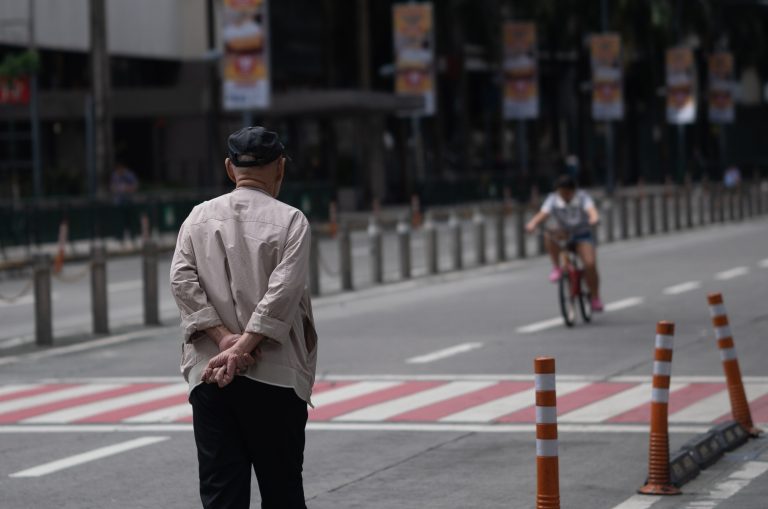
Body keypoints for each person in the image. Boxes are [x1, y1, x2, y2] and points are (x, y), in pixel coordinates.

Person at [170, 126, 317, 509]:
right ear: (280, 169)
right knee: (282, 490)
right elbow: (282, 293)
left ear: (230, 169)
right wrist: (245, 346)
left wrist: (223, 342)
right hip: (276, 377)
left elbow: (181, 281)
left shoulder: (197, 218)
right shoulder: (291, 221)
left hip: (210, 376)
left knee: (222, 494)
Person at [525, 174, 604, 311]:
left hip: (582, 234)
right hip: (564, 234)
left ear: (573, 191)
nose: (564, 196)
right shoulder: (553, 199)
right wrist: (532, 224)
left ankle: (595, 297)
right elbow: (543, 213)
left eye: (567, 193)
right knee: (549, 234)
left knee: (590, 264)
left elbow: (591, 211)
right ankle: (557, 267)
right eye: (561, 193)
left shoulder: (582, 197)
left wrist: (594, 218)